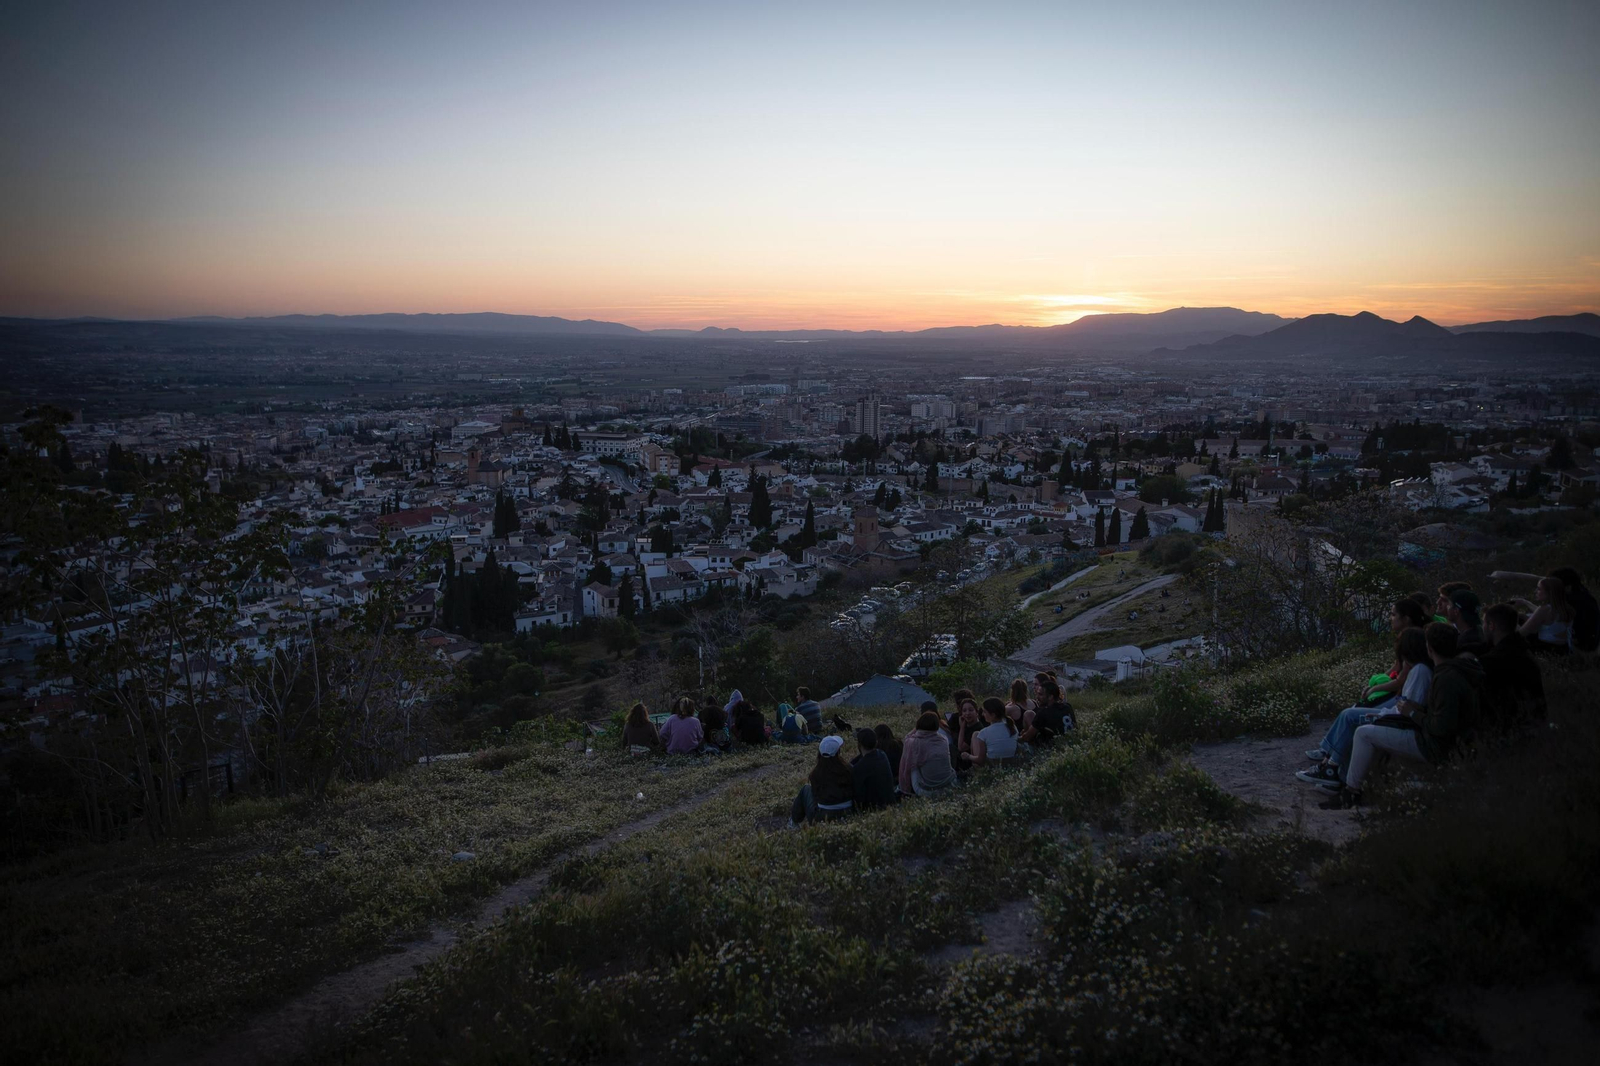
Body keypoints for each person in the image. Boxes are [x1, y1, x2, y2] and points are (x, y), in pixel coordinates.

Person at [1322, 623, 1481, 808]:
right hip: (1434, 737)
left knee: (1363, 733)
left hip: (1432, 745)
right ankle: (1345, 779)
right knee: (1362, 726)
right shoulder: (1448, 672)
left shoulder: (1445, 678)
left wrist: (1412, 712)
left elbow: (1441, 727)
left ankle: (1351, 791)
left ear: (1430, 648)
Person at [1298, 628, 1430, 787]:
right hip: (1393, 716)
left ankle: (1331, 769)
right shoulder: (1416, 669)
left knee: (1351, 717)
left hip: (1396, 721)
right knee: (1349, 713)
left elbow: (1406, 709)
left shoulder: (1419, 671)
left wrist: (1381, 714)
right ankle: (1329, 764)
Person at [1491, 567, 1599, 653]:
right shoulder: (1578, 598)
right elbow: (1551, 617)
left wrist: (1512, 617)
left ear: (1566, 587)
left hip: (1570, 646)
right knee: (1524, 618)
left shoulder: (1573, 603)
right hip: (1567, 648)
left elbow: (1520, 634)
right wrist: (1525, 603)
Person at [1479, 602, 1546, 732]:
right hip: (1536, 725)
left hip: (1511, 731)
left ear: (1491, 626)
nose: (1483, 627)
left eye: (1484, 623)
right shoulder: (1524, 651)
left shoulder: (1492, 661)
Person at [789, 735, 855, 826]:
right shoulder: (848, 769)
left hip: (823, 817)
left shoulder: (815, 774)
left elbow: (816, 797)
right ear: (838, 752)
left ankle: (794, 822)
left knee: (805, 789)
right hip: (849, 812)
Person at [899, 705, 958, 796]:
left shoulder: (914, 742)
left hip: (927, 791)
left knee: (912, 765)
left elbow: (906, 739)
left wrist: (916, 728)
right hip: (949, 784)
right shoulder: (943, 739)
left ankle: (905, 788)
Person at [1513, 575, 1574, 655]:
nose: (1535, 591)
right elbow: (1541, 615)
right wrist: (1525, 602)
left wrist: (1512, 619)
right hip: (1563, 650)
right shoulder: (1567, 609)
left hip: (1545, 650)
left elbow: (1521, 633)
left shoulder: (1544, 610)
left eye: (1539, 589)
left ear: (1549, 592)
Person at [963, 698, 1019, 769]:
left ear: (993, 715)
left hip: (992, 767)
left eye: (984, 712)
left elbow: (980, 760)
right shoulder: (1012, 727)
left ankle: (976, 771)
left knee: (975, 734)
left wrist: (968, 756)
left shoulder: (984, 732)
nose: (982, 714)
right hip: (1010, 766)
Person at [850, 728, 899, 810]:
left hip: (874, 807)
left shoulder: (859, 768)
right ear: (876, 742)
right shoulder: (882, 754)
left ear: (859, 744)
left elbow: (858, 794)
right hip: (889, 802)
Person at [1021, 678, 1074, 746]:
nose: (1037, 697)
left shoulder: (1044, 712)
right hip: (1072, 744)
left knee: (1028, 714)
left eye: (1040, 694)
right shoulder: (1067, 707)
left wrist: (1019, 738)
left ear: (1050, 697)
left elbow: (1027, 737)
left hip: (1052, 748)